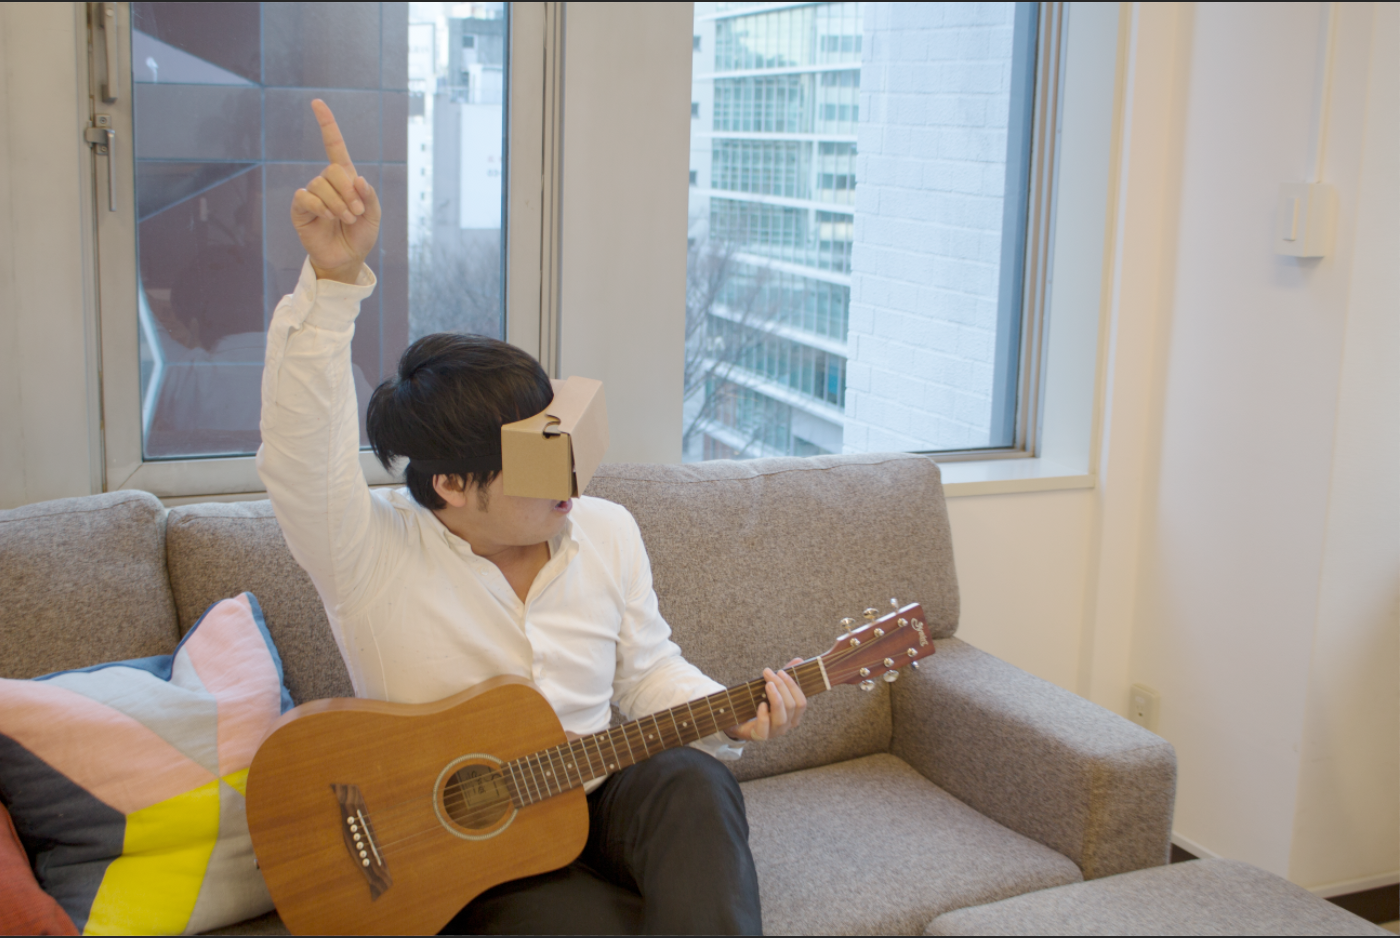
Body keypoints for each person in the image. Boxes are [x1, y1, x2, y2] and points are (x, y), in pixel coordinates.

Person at [256, 99, 806, 935]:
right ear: (453, 484)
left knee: (697, 782)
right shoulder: (366, 556)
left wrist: (724, 706)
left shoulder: (607, 530)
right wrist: (332, 284)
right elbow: (300, 452)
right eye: (538, 461)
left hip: (596, 796)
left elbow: (645, 674)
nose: (570, 478)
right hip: (464, 854)